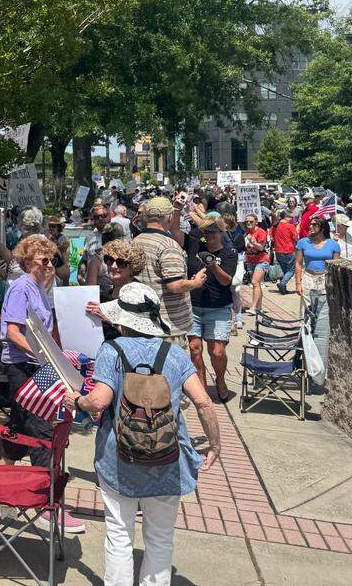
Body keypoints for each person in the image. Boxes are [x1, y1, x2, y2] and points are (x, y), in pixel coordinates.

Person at [63, 283, 221, 586]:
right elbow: (203, 402)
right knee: (161, 537)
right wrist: (214, 445)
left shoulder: (111, 350)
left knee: (119, 534)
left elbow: (99, 401)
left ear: (121, 320)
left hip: (119, 459)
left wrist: (77, 401)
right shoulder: (175, 354)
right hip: (167, 459)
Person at [0, 235, 86, 534]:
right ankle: (46, 503)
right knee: (41, 427)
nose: (50, 265)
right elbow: (12, 332)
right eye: (44, 260)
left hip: (34, 364)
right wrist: (44, 356)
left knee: (20, 425)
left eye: (52, 260)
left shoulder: (39, 287)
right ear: (27, 262)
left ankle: (5, 496)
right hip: (22, 366)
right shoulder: (21, 287)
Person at [131, 197, 206, 347]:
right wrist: (196, 282)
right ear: (169, 217)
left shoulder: (136, 241)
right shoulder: (168, 245)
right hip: (167, 327)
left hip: (142, 322)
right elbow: (175, 286)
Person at [184, 217, 239, 402]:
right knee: (195, 349)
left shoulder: (230, 252)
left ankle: (220, 380)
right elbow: (176, 231)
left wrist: (213, 265)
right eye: (206, 232)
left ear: (221, 232)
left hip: (219, 308)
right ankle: (202, 387)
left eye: (213, 232)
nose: (209, 236)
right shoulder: (195, 246)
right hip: (194, 306)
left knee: (217, 352)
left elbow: (226, 281)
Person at [295, 216, 341, 393]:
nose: (311, 227)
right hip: (308, 279)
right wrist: (298, 283)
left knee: (321, 329)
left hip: (324, 282)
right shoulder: (303, 243)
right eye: (310, 224)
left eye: (315, 225)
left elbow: (336, 267)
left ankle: (319, 375)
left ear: (322, 228)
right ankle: (304, 366)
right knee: (306, 323)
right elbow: (298, 263)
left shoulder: (333, 245)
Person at [242, 214, 270, 316]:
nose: (248, 223)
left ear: (256, 222)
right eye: (247, 222)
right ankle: (259, 308)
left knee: (255, 282)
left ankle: (253, 307)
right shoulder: (247, 232)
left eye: (251, 221)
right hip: (251, 260)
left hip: (262, 260)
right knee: (256, 285)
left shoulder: (261, 232)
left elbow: (261, 247)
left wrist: (253, 242)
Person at [271, 210, 298, 294]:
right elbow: (296, 238)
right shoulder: (290, 226)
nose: (292, 219)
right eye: (291, 217)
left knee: (284, 270)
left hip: (278, 251)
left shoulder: (275, 226)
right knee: (291, 270)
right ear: (286, 217)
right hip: (288, 250)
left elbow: (272, 236)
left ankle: (283, 288)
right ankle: (282, 284)